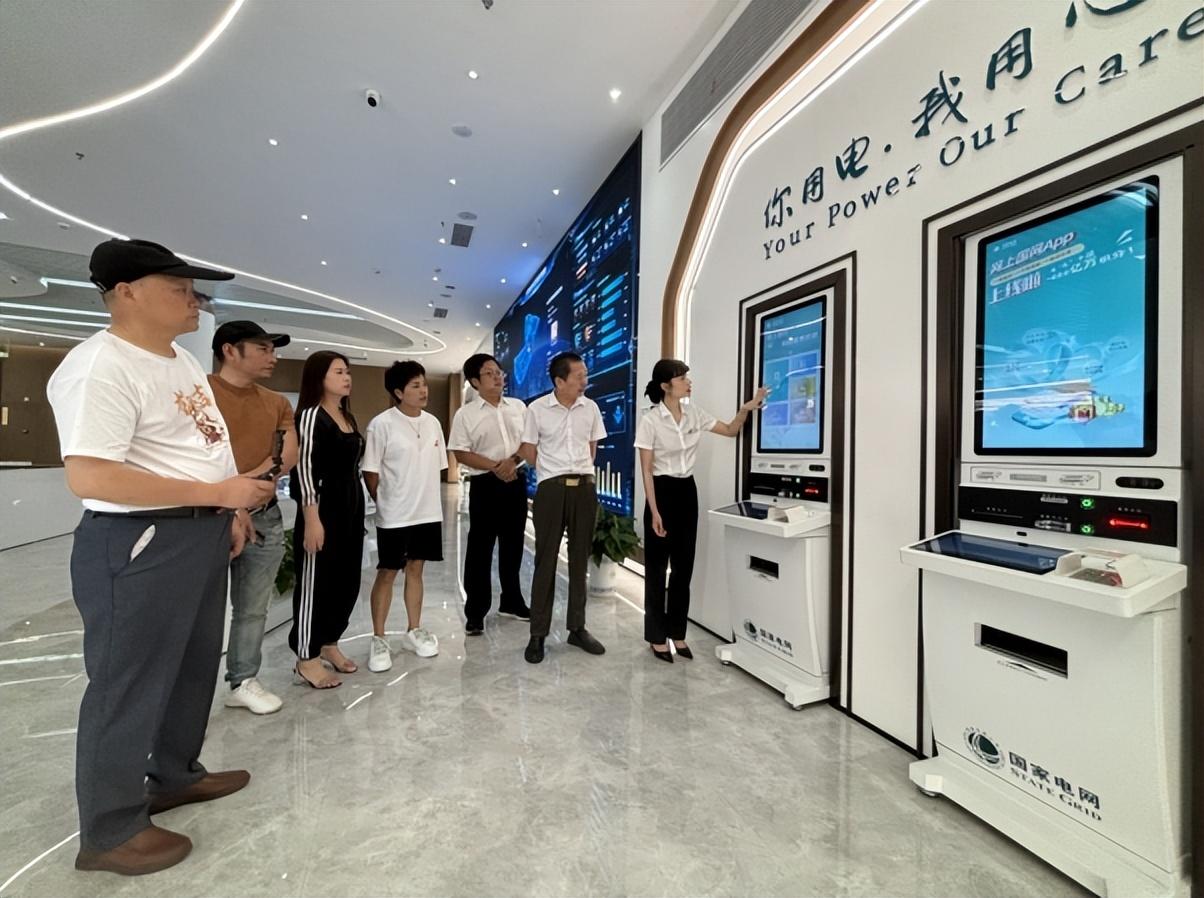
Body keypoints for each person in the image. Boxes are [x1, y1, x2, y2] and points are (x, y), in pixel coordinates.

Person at [46, 238, 275, 875]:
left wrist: (227, 510)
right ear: (127, 292)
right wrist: (217, 495)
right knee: (129, 680)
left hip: (198, 532)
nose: (194, 300)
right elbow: (91, 476)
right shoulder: (100, 366)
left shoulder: (179, 361)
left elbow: (198, 448)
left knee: (192, 665)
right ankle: (110, 829)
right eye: (179, 288)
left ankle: (173, 773)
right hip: (140, 540)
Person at [634, 359, 767, 662]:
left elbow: (730, 430)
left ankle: (677, 633)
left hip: (686, 492)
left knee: (684, 567)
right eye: (682, 378)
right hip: (660, 491)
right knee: (656, 568)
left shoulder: (694, 413)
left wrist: (746, 408)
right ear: (666, 386)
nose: (688, 382)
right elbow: (647, 470)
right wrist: (654, 511)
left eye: (687, 377)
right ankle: (656, 636)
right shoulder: (651, 421)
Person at [208, 321, 297, 714]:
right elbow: (193, 455)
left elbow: (286, 456)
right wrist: (231, 501)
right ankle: (185, 691)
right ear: (230, 350)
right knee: (198, 610)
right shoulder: (201, 394)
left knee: (253, 607)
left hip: (264, 516)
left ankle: (242, 680)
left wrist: (242, 491)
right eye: (262, 348)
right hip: (207, 516)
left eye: (272, 350)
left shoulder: (276, 402)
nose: (272, 357)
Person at [517, 351, 607, 664]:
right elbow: (528, 449)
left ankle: (577, 628)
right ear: (559, 381)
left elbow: (592, 448)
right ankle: (538, 633)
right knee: (545, 560)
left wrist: (579, 471)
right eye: (579, 376)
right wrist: (550, 470)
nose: (585, 381)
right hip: (551, 490)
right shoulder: (537, 409)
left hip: (584, 488)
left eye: (585, 375)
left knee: (580, 559)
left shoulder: (590, 408)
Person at [362, 361, 447, 671]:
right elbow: (371, 472)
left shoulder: (433, 423)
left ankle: (414, 629)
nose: (423, 390)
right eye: (415, 385)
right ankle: (379, 637)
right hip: (395, 514)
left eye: (424, 383)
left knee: (416, 569)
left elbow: (438, 467)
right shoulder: (381, 424)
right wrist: (386, 501)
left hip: (427, 511)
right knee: (387, 572)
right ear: (398, 392)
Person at [289, 351, 365, 689]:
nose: (346, 377)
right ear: (319, 377)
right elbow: (304, 470)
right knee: (316, 583)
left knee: (345, 580)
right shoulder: (310, 416)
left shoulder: (347, 416)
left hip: (351, 507)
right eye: (338, 372)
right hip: (322, 509)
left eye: (347, 372)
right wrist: (311, 518)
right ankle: (306, 657)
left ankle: (330, 642)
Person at [448, 353, 531, 635]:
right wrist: (497, 467)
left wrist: (512, 462)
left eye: (499, 371)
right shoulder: (466, 414)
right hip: (485, 484)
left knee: (513, 545)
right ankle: (475, 612)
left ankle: (512, 601)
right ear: (475, 381)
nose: (497, 377)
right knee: (480, 549)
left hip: (516, 481)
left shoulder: (518, 407)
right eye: (489, 373)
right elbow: (460, 452)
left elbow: (530, 442)